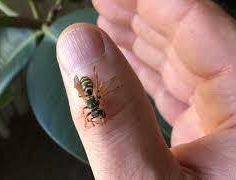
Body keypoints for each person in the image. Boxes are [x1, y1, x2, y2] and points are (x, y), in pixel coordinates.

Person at [56, 0, 236, 179]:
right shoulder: (94, 103)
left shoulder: (96, 99)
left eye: (97, 112)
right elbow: (91, 103)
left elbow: (95, 93)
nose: (99, 111)